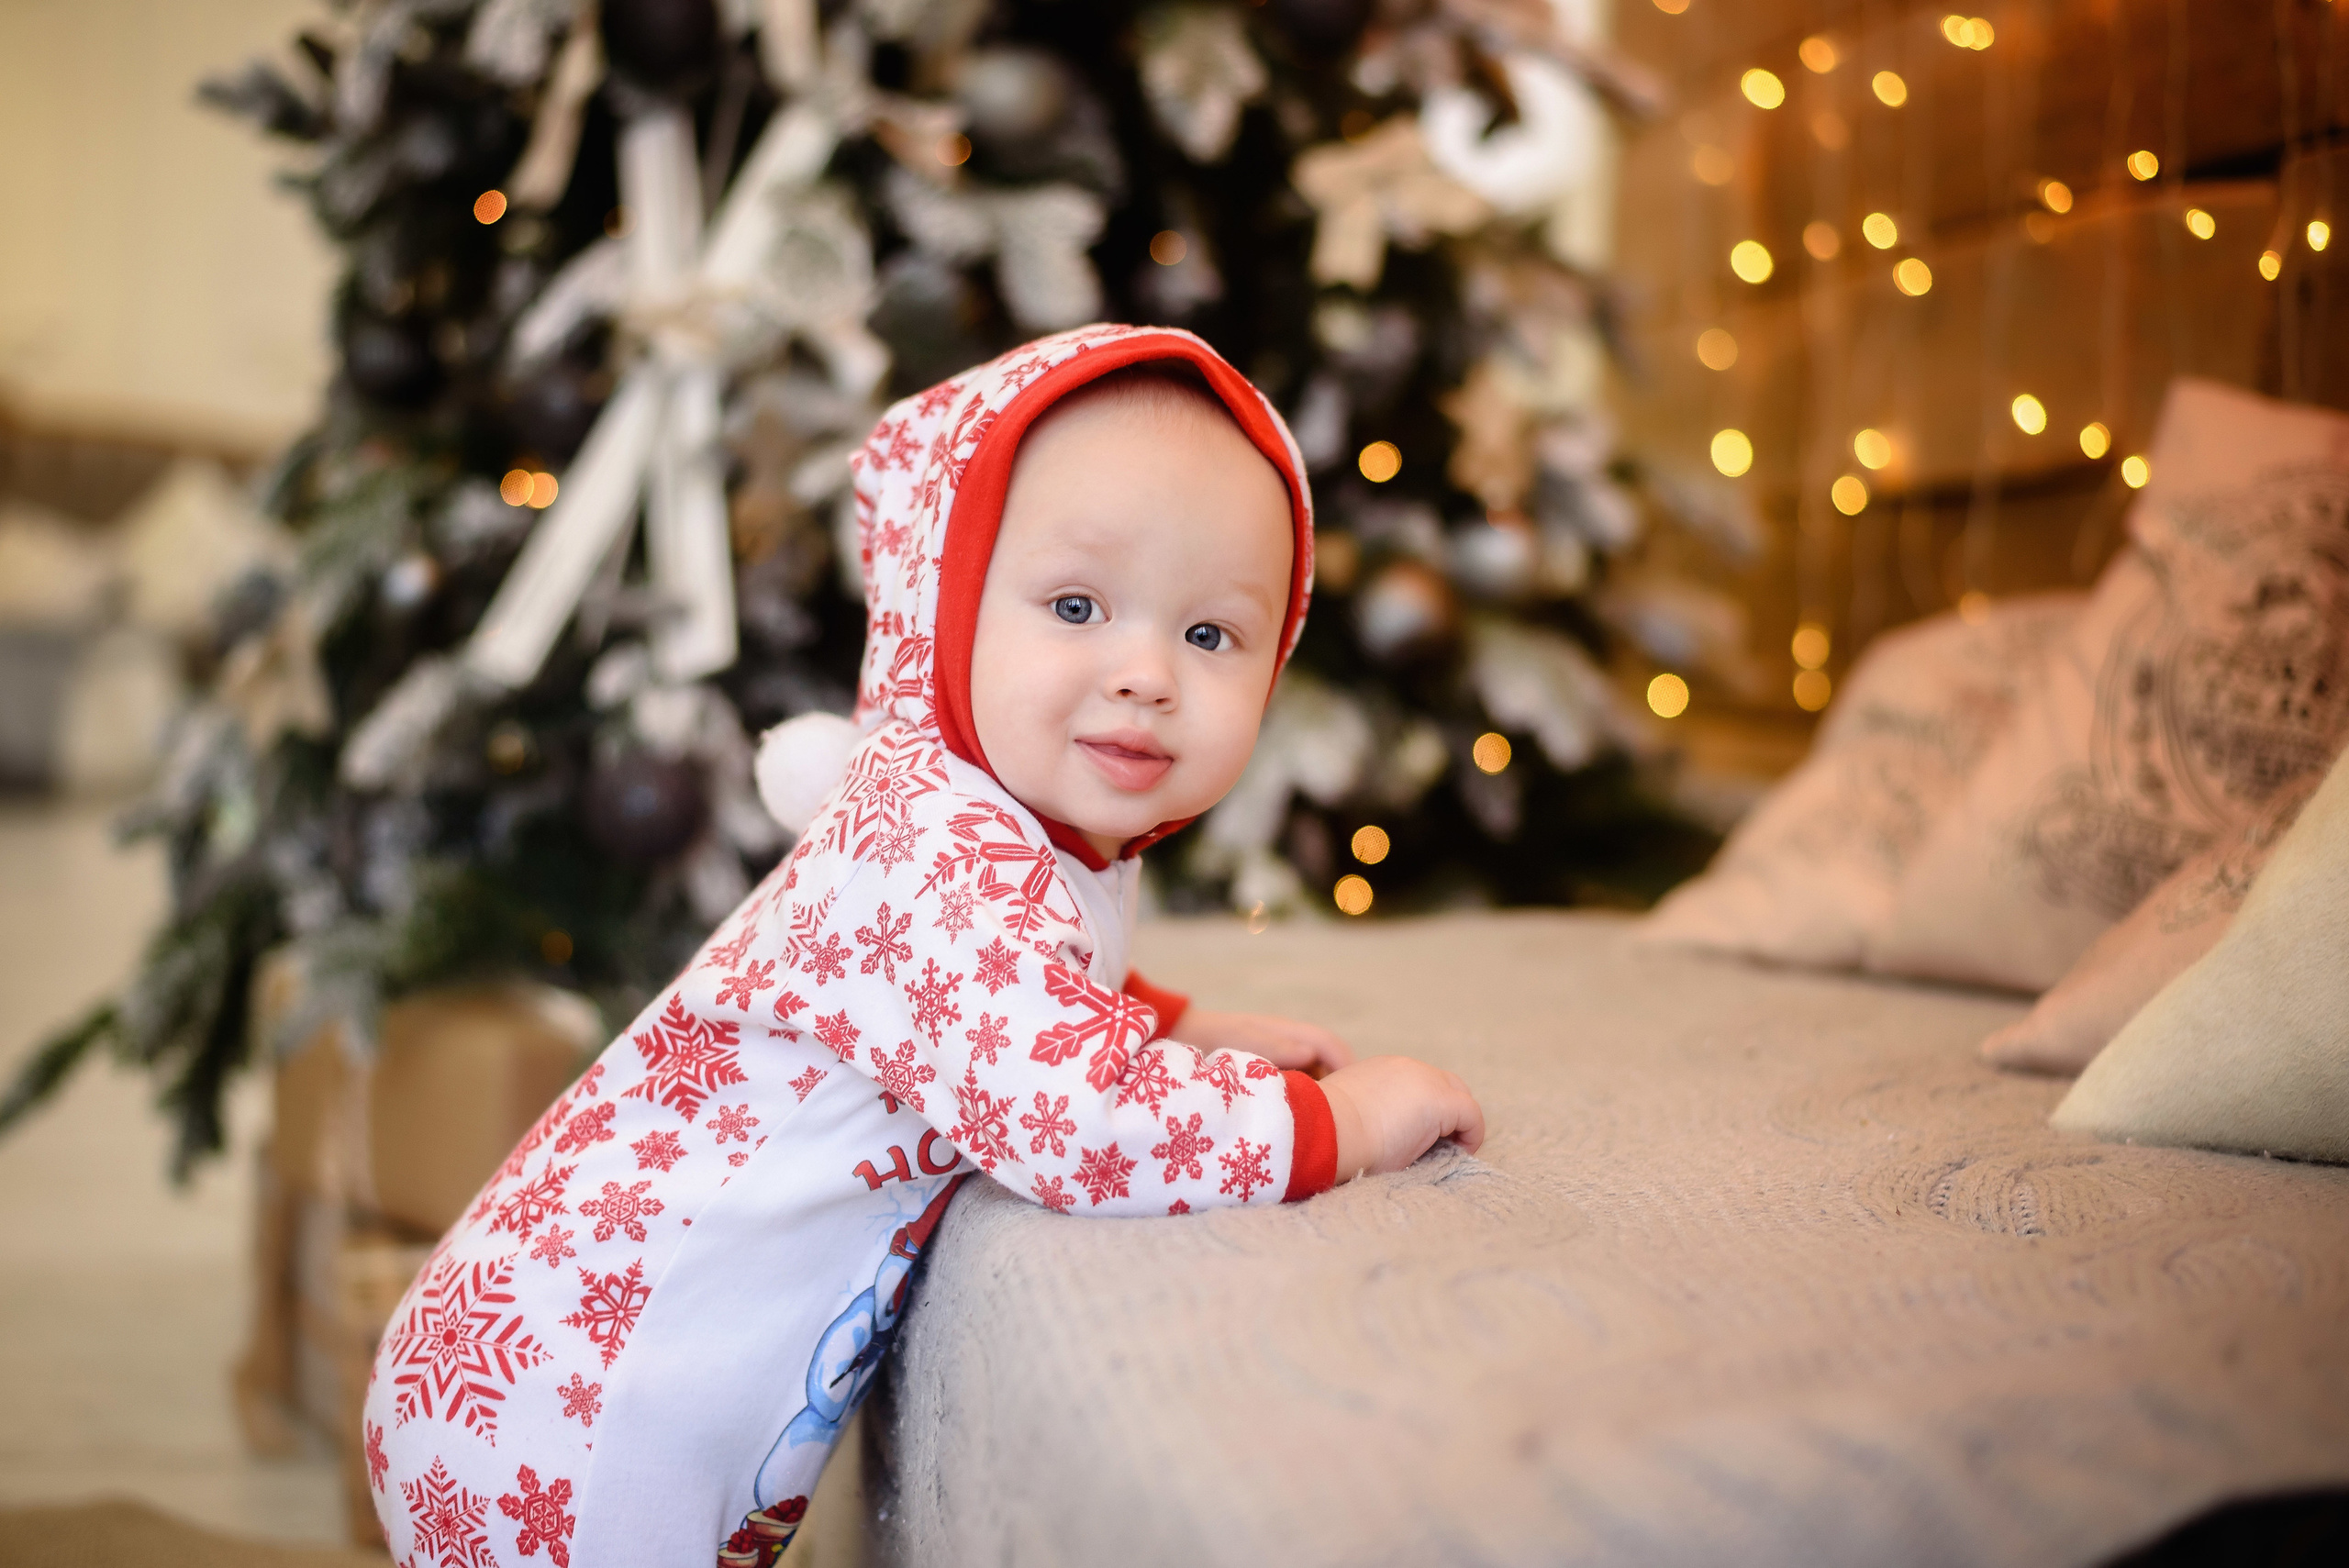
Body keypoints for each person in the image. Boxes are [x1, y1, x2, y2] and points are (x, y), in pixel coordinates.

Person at [363, 324, 1485, 1567]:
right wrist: (1337, 1127)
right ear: (939, 610)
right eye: (1075, 605)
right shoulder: (934, 846)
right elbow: (1071, 1116)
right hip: (569, 1405)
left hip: (562, 1378)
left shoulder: (1015, 830)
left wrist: (1171, 1025)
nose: (1147, 673)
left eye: (1212, 634)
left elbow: (1026, 989)